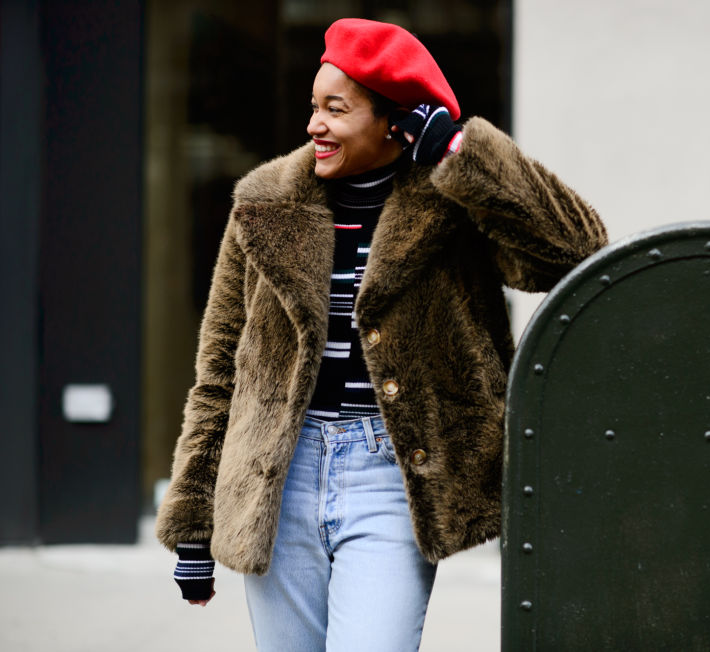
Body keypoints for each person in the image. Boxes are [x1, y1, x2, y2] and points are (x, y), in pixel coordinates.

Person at [155, 17, 607, 651]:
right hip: (276, 474)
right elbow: (222, 371)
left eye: (335, 110)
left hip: (392, 473)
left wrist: (459, 154)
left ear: (395, 122)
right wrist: (193, 520)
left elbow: (576, 250)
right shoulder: (262, 203)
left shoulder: (454, 204)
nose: (314, 124)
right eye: (314, 106)